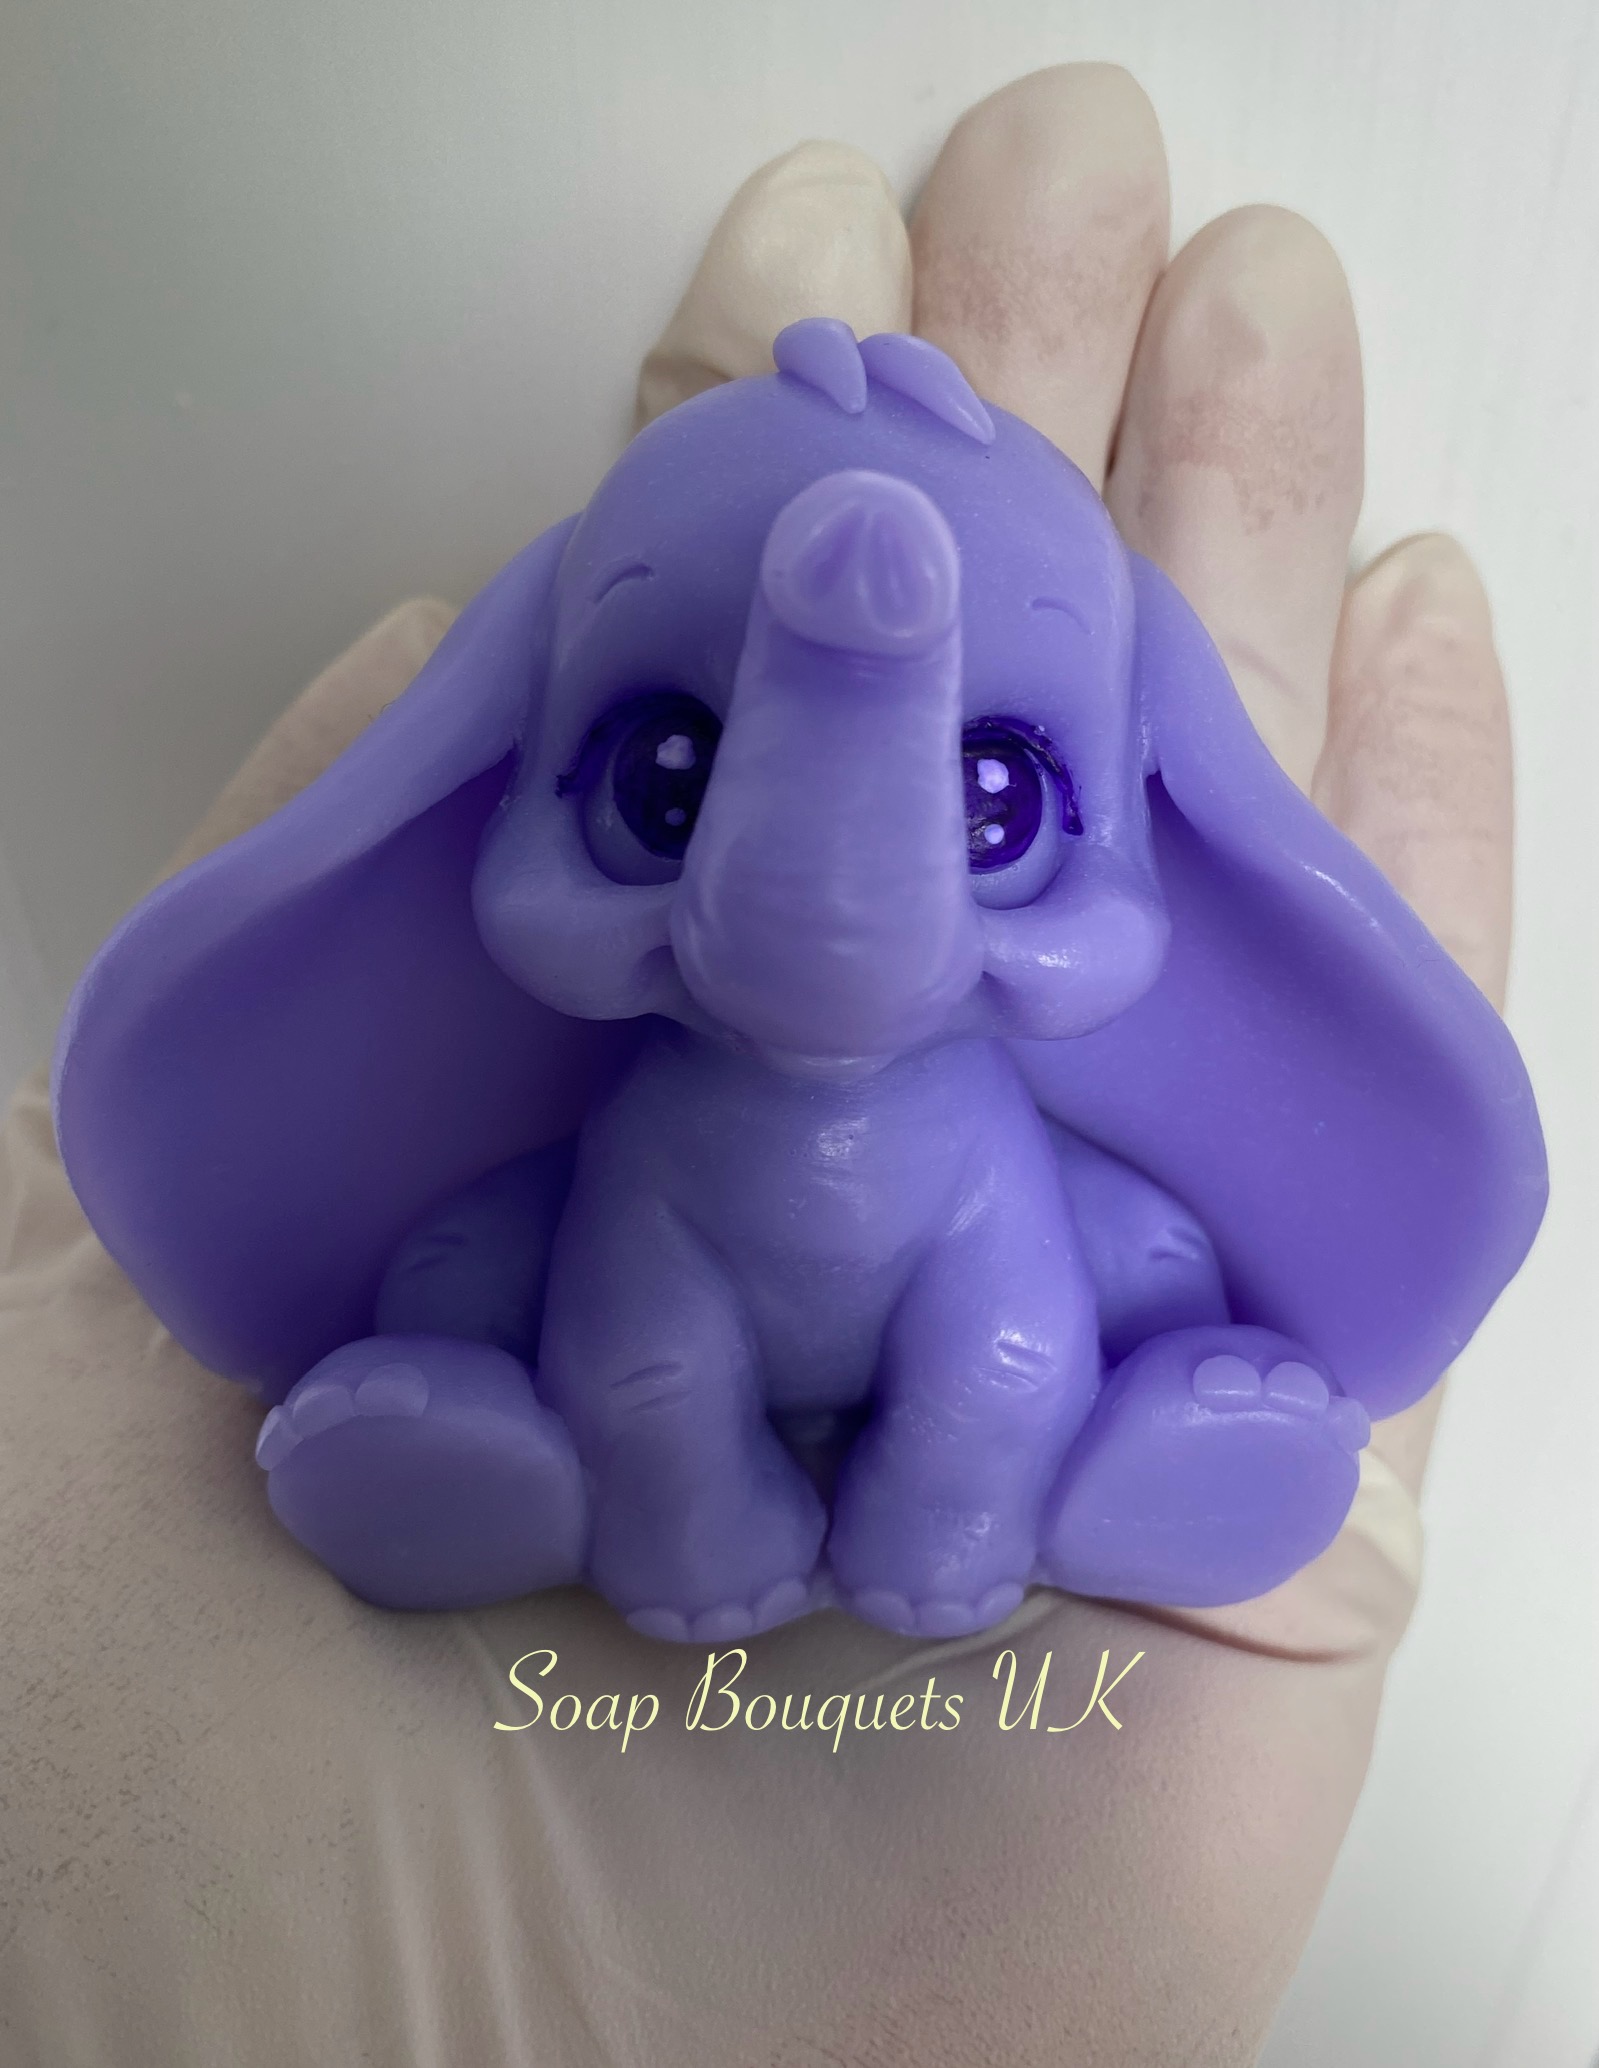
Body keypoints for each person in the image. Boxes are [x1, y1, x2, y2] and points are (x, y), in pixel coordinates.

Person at [0, 63, 1515, 2067]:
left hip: (979, 1210)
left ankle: (1117, 1476)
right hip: (651, 1217)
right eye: (662, 777)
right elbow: (638, 1324)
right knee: (517, 1298)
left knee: (1092, 1297)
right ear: (495, 784)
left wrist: (970, 1475)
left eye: (999, 798)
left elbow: (1005, 1328)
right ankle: (531, 1481)